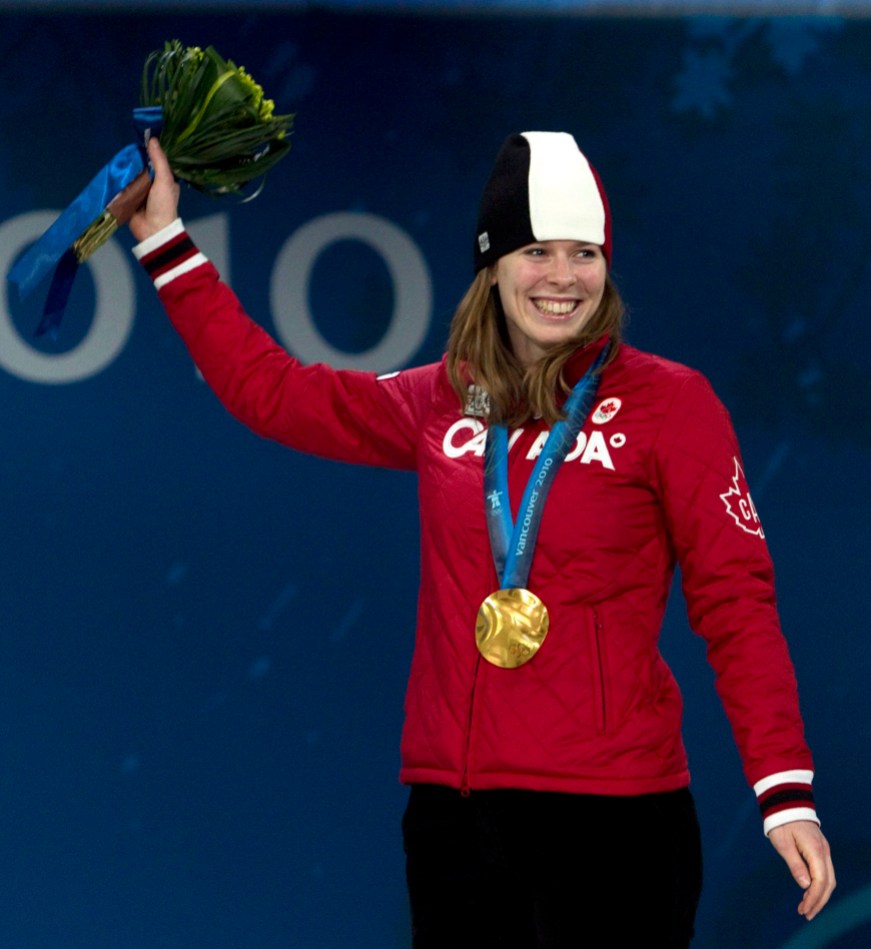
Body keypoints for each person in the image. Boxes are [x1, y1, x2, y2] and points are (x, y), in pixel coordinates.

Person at [129, 130, 835, 947]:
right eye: (537, 250)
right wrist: (165, 241)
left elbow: (734, 602)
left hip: (615, 820)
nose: (563, 277)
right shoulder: (441, 400)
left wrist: (783, 788)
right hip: (458, 821)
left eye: (584, 252)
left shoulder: (671, 405)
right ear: (492, 265)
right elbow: (272, 393)